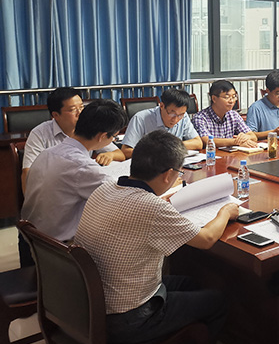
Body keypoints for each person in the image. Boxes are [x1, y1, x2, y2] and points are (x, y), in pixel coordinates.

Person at [75, 131, 237, 344]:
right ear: (168, 174)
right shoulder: (151, 208)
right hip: (127, 319)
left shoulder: (105, 189)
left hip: (91, 305)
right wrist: (225, 212)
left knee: (190, 284)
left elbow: (138, 209)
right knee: (218, 302)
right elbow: (207, 239)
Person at [21, 100, 128, 247]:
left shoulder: (47, 153)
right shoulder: (83, 167)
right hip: (59, 248)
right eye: (113, 137)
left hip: (32, 238)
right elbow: (122, 202)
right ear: (102, 136)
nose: (113, 140)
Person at [21, 87, 123, 191]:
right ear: (55, 115)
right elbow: (28, 173)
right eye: (73, 109)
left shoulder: (88, 128)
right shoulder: (40, 133)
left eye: (82, 107)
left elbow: (120, 155)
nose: (80, 113)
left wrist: (110, 155)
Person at [122, 88, 203, 158]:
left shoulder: (184, 116)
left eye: (180, 115)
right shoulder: (141, 118)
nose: (175, 119)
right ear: (161, 106)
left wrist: (171, 146)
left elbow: (198, 143)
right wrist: (155, 152)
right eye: (172, 114)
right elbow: (126, 151)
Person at [191, 81, 257, 148]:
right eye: (227, 97)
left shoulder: (234, 115)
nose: (231, 101)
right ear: (214, 99)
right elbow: (206, 140)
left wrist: (246, 137)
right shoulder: (200, 118)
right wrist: (236, 142)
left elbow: (253, 136)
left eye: (234, 97)